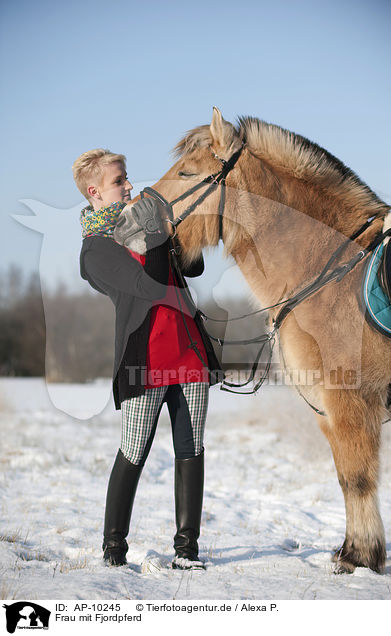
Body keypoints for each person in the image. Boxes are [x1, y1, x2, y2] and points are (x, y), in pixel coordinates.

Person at [72, 148, 222, 569]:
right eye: (119, 182)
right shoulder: (96, 250)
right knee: (133, 451)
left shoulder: (147, 225)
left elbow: (191, 268)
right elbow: (149, 285)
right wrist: (156, 229)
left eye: (127, 178)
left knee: (191, 448)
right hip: (146, 363)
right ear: (94, 191)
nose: (129, 187)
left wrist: (179, 229)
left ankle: (187, 551)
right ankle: (114, 548)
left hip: (188, 352)